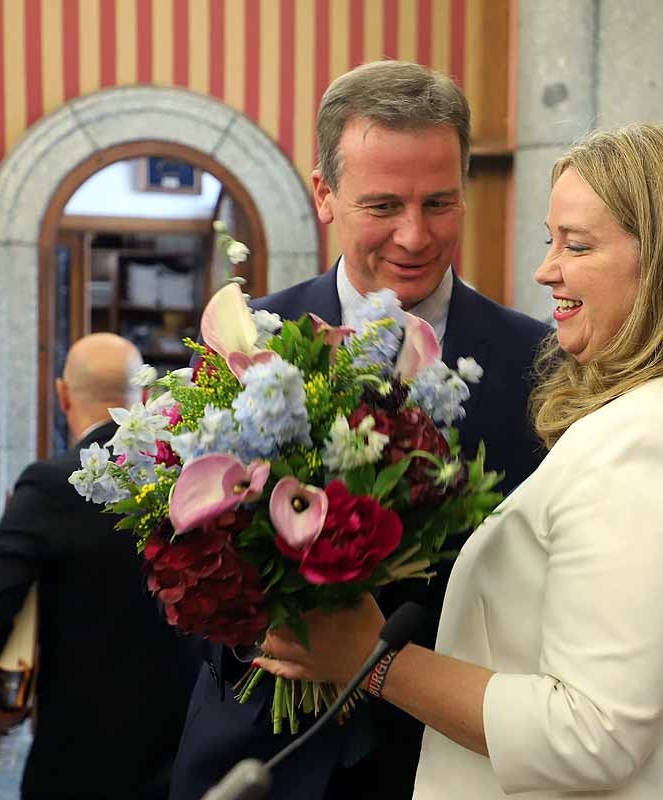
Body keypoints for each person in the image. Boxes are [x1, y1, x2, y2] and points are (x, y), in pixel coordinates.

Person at [253, 124, 663, 799]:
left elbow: (589, 735)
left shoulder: (655, 438)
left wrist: (376, 664)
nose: (546, 269)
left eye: (576, 246)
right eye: (551, 241)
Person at [168, 60, 551, 800]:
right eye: (384, 205)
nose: (415, 235)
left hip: (446, 769)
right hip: (255, 765)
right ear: (324, 195)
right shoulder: (246, 341)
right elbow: (176, 560)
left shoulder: (543, 370)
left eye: (439, 203)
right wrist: (257, 624)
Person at [0, 333, 199, 800]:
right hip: (190, 758)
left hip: (80, 763)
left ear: (62, 395)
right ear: (143, 397)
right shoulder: (193, 479)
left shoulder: (50, 486)